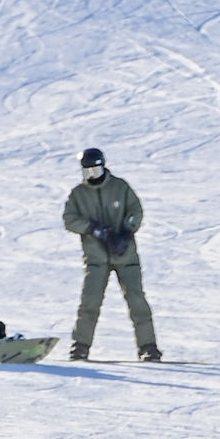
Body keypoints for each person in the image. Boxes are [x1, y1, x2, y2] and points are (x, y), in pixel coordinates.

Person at [62, 148, 161, 362]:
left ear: (103, 167)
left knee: (136, 300)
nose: (92, 176)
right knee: (90, 301)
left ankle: (148, 347)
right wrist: (93, 229)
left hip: (125, 256)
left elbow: (136, 211)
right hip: (96, 258)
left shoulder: (120, 187)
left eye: (95, 171)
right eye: (87, 172)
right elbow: (69, 219)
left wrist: (126, 232)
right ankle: (80, 346)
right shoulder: (78, 194)